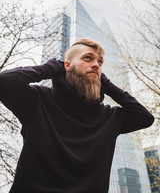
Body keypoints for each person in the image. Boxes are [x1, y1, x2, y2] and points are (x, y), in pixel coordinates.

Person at [0, 38, 154, 193]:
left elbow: (145, 118)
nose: (96, 65)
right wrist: (50, 68)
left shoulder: (109, 117)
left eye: (100, 62)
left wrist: (107, 85)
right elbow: (3, 81)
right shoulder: (37, 100)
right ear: (66, 65)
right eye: (88, 58)